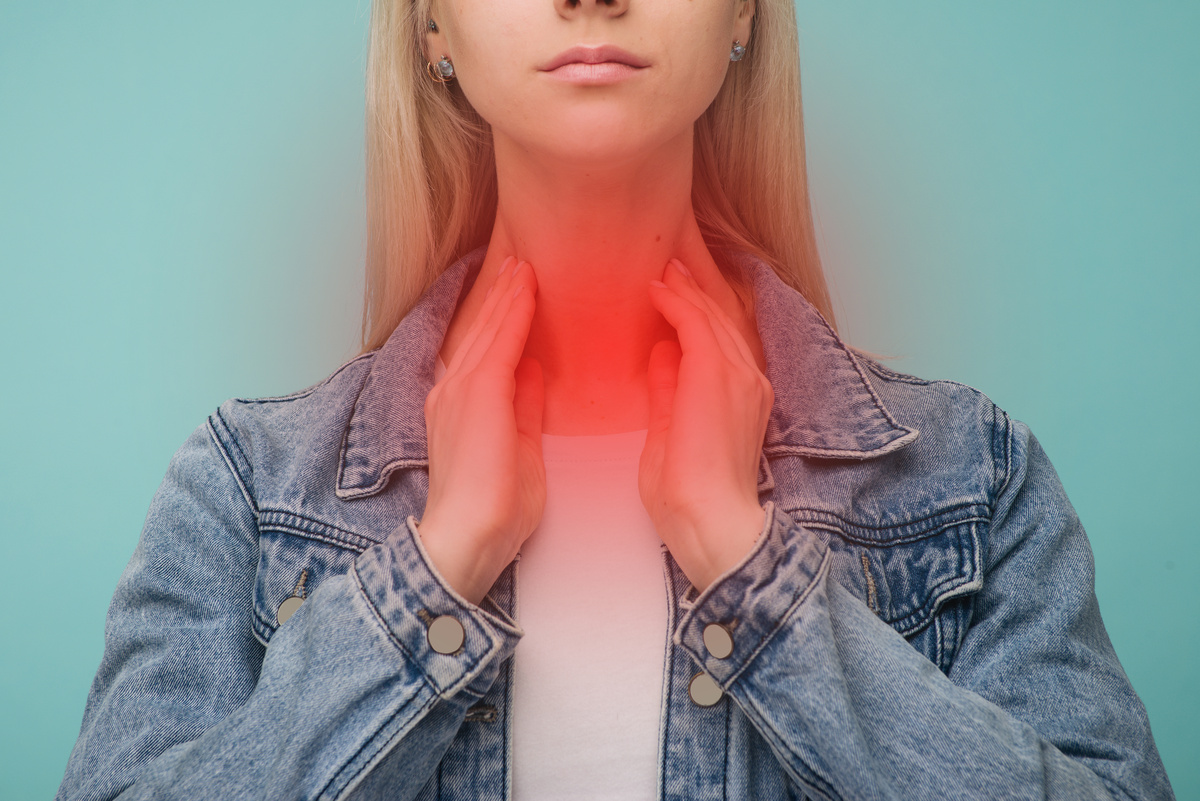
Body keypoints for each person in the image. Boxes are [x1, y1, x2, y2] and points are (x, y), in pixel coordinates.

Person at [57, 0, 1174, 799]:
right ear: (430, 26)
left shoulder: (971, 478)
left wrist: (753, 573)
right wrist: (435, 568)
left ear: (744, 15)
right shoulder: (245, 489)